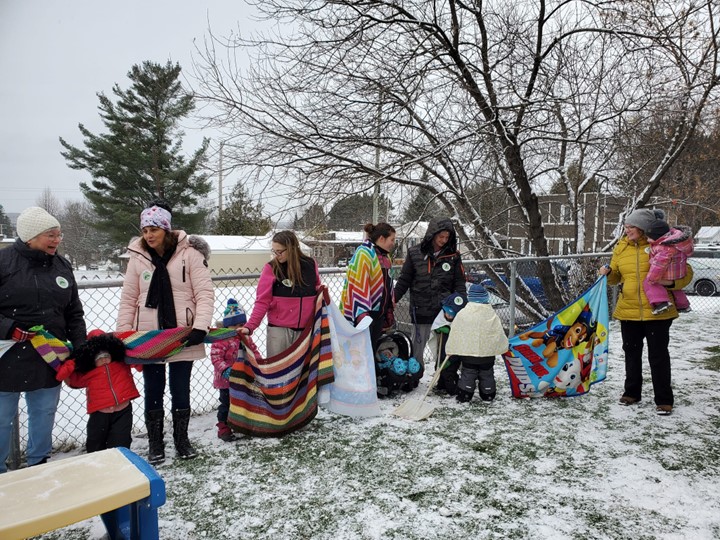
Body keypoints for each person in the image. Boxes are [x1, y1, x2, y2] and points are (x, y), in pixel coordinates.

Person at [117, 200, 214, 463]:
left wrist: (200, 326)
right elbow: (129, 298)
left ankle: (182, 440)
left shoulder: (190, 254)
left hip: (184, 334)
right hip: (149, 337)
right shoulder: (138, 259)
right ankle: (155, 443)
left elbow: (204, 293)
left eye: (154, 230)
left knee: (181, 389)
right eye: (145, 230)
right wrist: (124, 334)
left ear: (166, 230)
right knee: (153, 388)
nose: (148, 235)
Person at [0, 206, 87, 472]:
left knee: (44, 412)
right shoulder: (4, 263)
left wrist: (80, 347)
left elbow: (73, 311)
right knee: (2, 419)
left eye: (59, 234)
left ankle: (39, 465)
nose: (57, 240)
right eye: (50, 235)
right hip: (8, 355)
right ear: (30, 236)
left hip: (49, 354)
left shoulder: (61, 265)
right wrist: (9, 328)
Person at [598, 207, 694, 416]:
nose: (627, 230)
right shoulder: (621, 247)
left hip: (658, 311)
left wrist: (669, 282)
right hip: (628, 310)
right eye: (626, 226)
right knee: (631, 354)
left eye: (631, 226)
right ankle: (631, 393)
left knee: (658, 356)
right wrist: (607, 273)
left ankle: (664, 400)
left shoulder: (663, 245)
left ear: (644, 228)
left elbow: (686, 275)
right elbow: (615, 278)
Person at [393, 217, 466, 365]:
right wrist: (392, 299)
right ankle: (414, 376)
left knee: (444, 351)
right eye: (441, 236)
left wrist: (457, 304)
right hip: (421, 310)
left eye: (447, 237)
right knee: (417, 350)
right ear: (432, 234)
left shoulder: (454, 256)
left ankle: (443, 380)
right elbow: (404, 280)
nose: (444, 240)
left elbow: (459, 283)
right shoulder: (414, 253)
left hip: (444, 313)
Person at [55, 329, 140, 453]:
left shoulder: (121, 364)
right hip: (100, 412)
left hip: (123, 409)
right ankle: (96, 463)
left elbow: (138, 363)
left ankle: (119, 461)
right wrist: (73, 362)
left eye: (106, 356)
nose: (104, 359)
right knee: (96, 442)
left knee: (121, 441)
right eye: (99, 357)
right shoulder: (89, 372)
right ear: (92, 358)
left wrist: (136, 354)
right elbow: (68, 379)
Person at [240, 231, 322, 357]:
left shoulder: (310, 265)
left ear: (292, 248)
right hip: (279, 331)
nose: (276, 255)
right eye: (274, 251)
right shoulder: (271, 268)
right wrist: (250, 326)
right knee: (277, 371)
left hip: (306, 330)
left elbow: (317, 291)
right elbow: (262, 301)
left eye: (280, 251)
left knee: (304, 373)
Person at [445, 284, 509, 403]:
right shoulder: (492, 315)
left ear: (470, 298)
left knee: (468, 373)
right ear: (485, 298)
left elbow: (455, 332)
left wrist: (451, 347)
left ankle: (465, 394)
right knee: (487, 374)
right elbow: (498, 333)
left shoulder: (463, 314)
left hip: (469, 355)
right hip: (487, 355)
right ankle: (488, 393)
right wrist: (503, 345)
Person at [341, 223, 396, 351]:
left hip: (379, 314)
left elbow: (387, 284)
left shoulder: (386, 257)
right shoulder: (364, 254)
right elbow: (357, 284)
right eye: (392, 239)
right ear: (382, 238)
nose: (393, 243)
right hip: (365, 315)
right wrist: (362, 314)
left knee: (371, 350)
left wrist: (389, 306)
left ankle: (371, 371)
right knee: (360, 352)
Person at [210, 299, 247, 442]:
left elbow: (253, 351)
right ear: (228, 325)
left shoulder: (244, 338)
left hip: (242, 378)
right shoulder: (221, 340)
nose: (240, 328)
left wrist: (258, 362)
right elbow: (216, 358)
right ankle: (224, 427)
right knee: (226, 403)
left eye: (242, 325)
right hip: (226, 380)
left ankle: (239, 424)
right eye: (236, 325)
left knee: (240, 402)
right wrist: (225, 370)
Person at [643, 218, 694, 315]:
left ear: (658, 237)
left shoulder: (663, 248)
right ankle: (683, 305)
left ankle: (660, 302)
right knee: (675, 289)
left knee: (649, 283)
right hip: (677, 272)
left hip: (668, 272)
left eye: (650, 237)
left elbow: (659, 264)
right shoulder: (675, 243)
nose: (648, 240)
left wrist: (653, 278)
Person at [429, 292, 467, 395]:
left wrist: (450, 331)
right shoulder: (441, 316)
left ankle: (453, 389)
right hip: (442, 350)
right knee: (439, 368)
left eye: (452, 314)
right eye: (447, 313)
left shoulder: (461, 323)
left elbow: (461, 338)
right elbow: (436, 325)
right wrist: (438, 329)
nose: (448, 316)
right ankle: (441, 385)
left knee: (449, 372)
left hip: (453, 354)